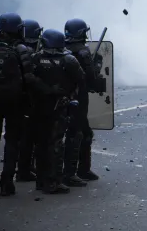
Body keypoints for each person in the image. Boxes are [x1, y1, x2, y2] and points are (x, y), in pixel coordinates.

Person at [0, 13, 52, 196]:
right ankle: (7, 183)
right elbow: (29, 78)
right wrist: (48, 90)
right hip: (15, 103)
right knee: (12, 142)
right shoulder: (22, 50)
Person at [32, 28, 85, 194]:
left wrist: (46, 89)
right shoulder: (68, 60)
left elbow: (29, 79)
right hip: (59, 106)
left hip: (39, 106)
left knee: (40, 143)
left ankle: (41, 181)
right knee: (56, 143)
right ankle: (54, 181)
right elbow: (81, 78)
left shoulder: (36, 58)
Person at [64, 18, 103, 182]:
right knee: (77, 134)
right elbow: (91, 78)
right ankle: (71, 174)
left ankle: (82, 170)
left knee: (82, 132)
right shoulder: (83, 52)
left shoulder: (61, 49)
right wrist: (98, 64)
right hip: (78, 98)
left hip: (62, 97)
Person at [16, 19, 43, 182]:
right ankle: (24, 170)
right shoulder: (30, 53)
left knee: (20, 137)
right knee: (29, 137)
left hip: (15, 99)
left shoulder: (14, 49)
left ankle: (24, 168)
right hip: (28, 100)